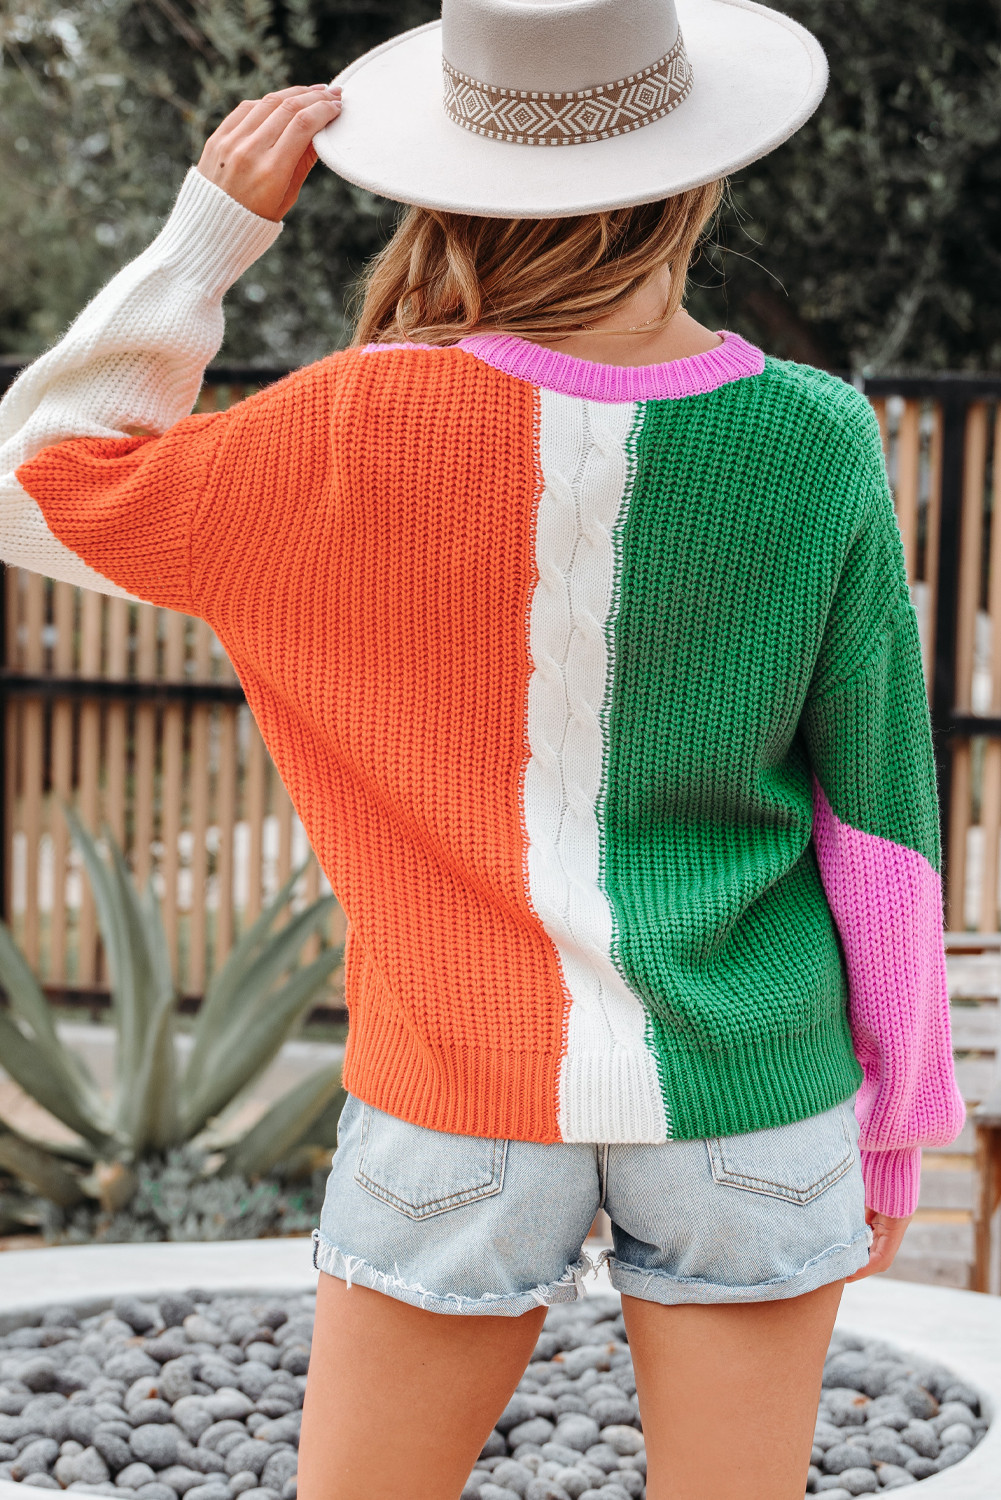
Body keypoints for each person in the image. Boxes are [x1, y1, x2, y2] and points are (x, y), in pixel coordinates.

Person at [0, 0, 966, 1496]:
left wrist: (209, 238)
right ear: (698, 181)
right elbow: (880, 815)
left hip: (452, 1083)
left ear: (453, 185)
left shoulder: (343, 428)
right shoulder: (817, 435)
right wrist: (896, 1120)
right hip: (750, 1090)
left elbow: (34, 488)